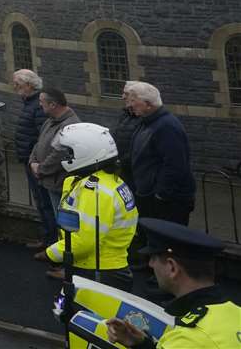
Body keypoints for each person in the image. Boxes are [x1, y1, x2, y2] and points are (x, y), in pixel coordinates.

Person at [102, 220, 241, 347]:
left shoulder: (188, 339)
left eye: (153, 258)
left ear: (172, 267)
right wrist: (142, 345)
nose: (150, 264)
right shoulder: (235, 313)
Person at [44, 121, 138, 289]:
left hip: (98, 271)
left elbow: (84, 242)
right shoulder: (107, 181)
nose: (66, 157)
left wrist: (51, 254)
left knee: (85, 314)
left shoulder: (95, 191)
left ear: (87, 152)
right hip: (104, 267)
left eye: (70, 152)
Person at [125, 82, 196, 227]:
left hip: (167, 201)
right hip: (148, 195)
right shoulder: (146, 122)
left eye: (134, 101)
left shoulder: (167, 127)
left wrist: (161, 194)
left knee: (168, 240)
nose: (129, 105)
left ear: (148, 104)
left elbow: (175, 165)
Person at [30, 87, 80, 258]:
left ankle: (64, 261)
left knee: (64, 223)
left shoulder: (70, 125)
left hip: (58, 181)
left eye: (42, 102)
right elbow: (39, 143)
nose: (39, 105)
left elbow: (59, 153)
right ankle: (54, 251)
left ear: (53, 104)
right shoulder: (50, 120)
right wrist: (33, 162)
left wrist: (41, 169)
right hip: (48, 179)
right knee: (52, 216)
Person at [12, 69, 50, 248]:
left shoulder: (37, 105)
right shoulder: (31, 103)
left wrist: (35, 160)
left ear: (28, 85)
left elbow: (43, 136)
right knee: (41, 203)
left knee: (44, 203)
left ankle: (50, 243)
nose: (15, 88)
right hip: (30, 160)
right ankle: (46, 239)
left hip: (36, 163)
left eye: (17, 84)